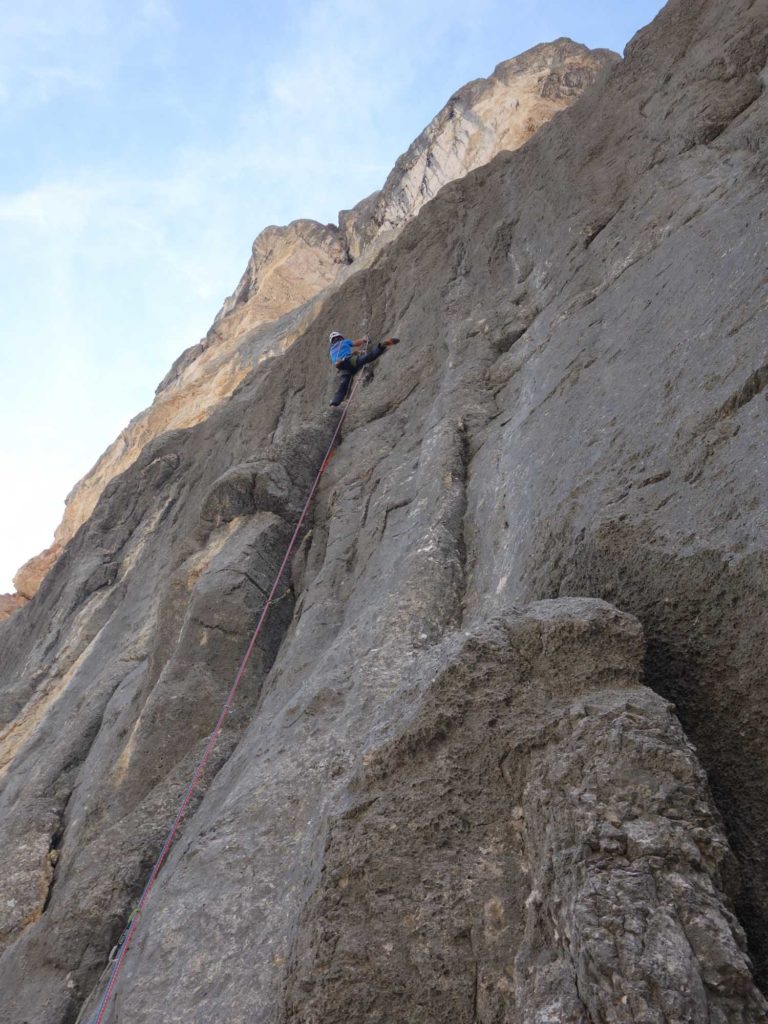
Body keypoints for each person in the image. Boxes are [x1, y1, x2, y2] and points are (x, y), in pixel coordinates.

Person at [328, 331, 400, 407]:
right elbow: (356, 343)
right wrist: (364, 339)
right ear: (340, 337)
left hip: (343, 368)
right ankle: (381, 346)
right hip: (350, 361)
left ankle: (334, 403)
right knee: (368, 357)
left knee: (343, 386)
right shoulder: (344, 342)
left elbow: (340, 355)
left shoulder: (331, 350)